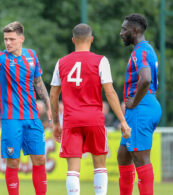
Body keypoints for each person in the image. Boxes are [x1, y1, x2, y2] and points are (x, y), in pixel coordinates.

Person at [0, 21, 51, 195]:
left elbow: (38, 82)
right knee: (13, 162)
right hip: (11, 119)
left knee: (40, 159)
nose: (8, 43)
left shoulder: (32, 55)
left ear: (21, 39)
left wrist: (50, 106)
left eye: (12, 39)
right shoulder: (1, 57)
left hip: (32, 117)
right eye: (6, 39)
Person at [50, 23, 131, 195]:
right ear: (91, 39)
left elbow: (53, 96)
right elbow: (110, 93)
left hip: (71, 120)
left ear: (73, 40)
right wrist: (123, 121)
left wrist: (56, 122)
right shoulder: (101, 61)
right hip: (94, 119)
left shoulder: (61, 62)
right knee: (100, 166)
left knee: (73, 169)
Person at [117, 13, 162, 195]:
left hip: (140, 108)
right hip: (145, 105)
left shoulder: (141, 51)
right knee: (123, 155)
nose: (121, 33)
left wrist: (134, 102)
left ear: (134, 30)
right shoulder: (146, 49)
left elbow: (145, 79)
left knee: (141, 159)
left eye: (124, 29)